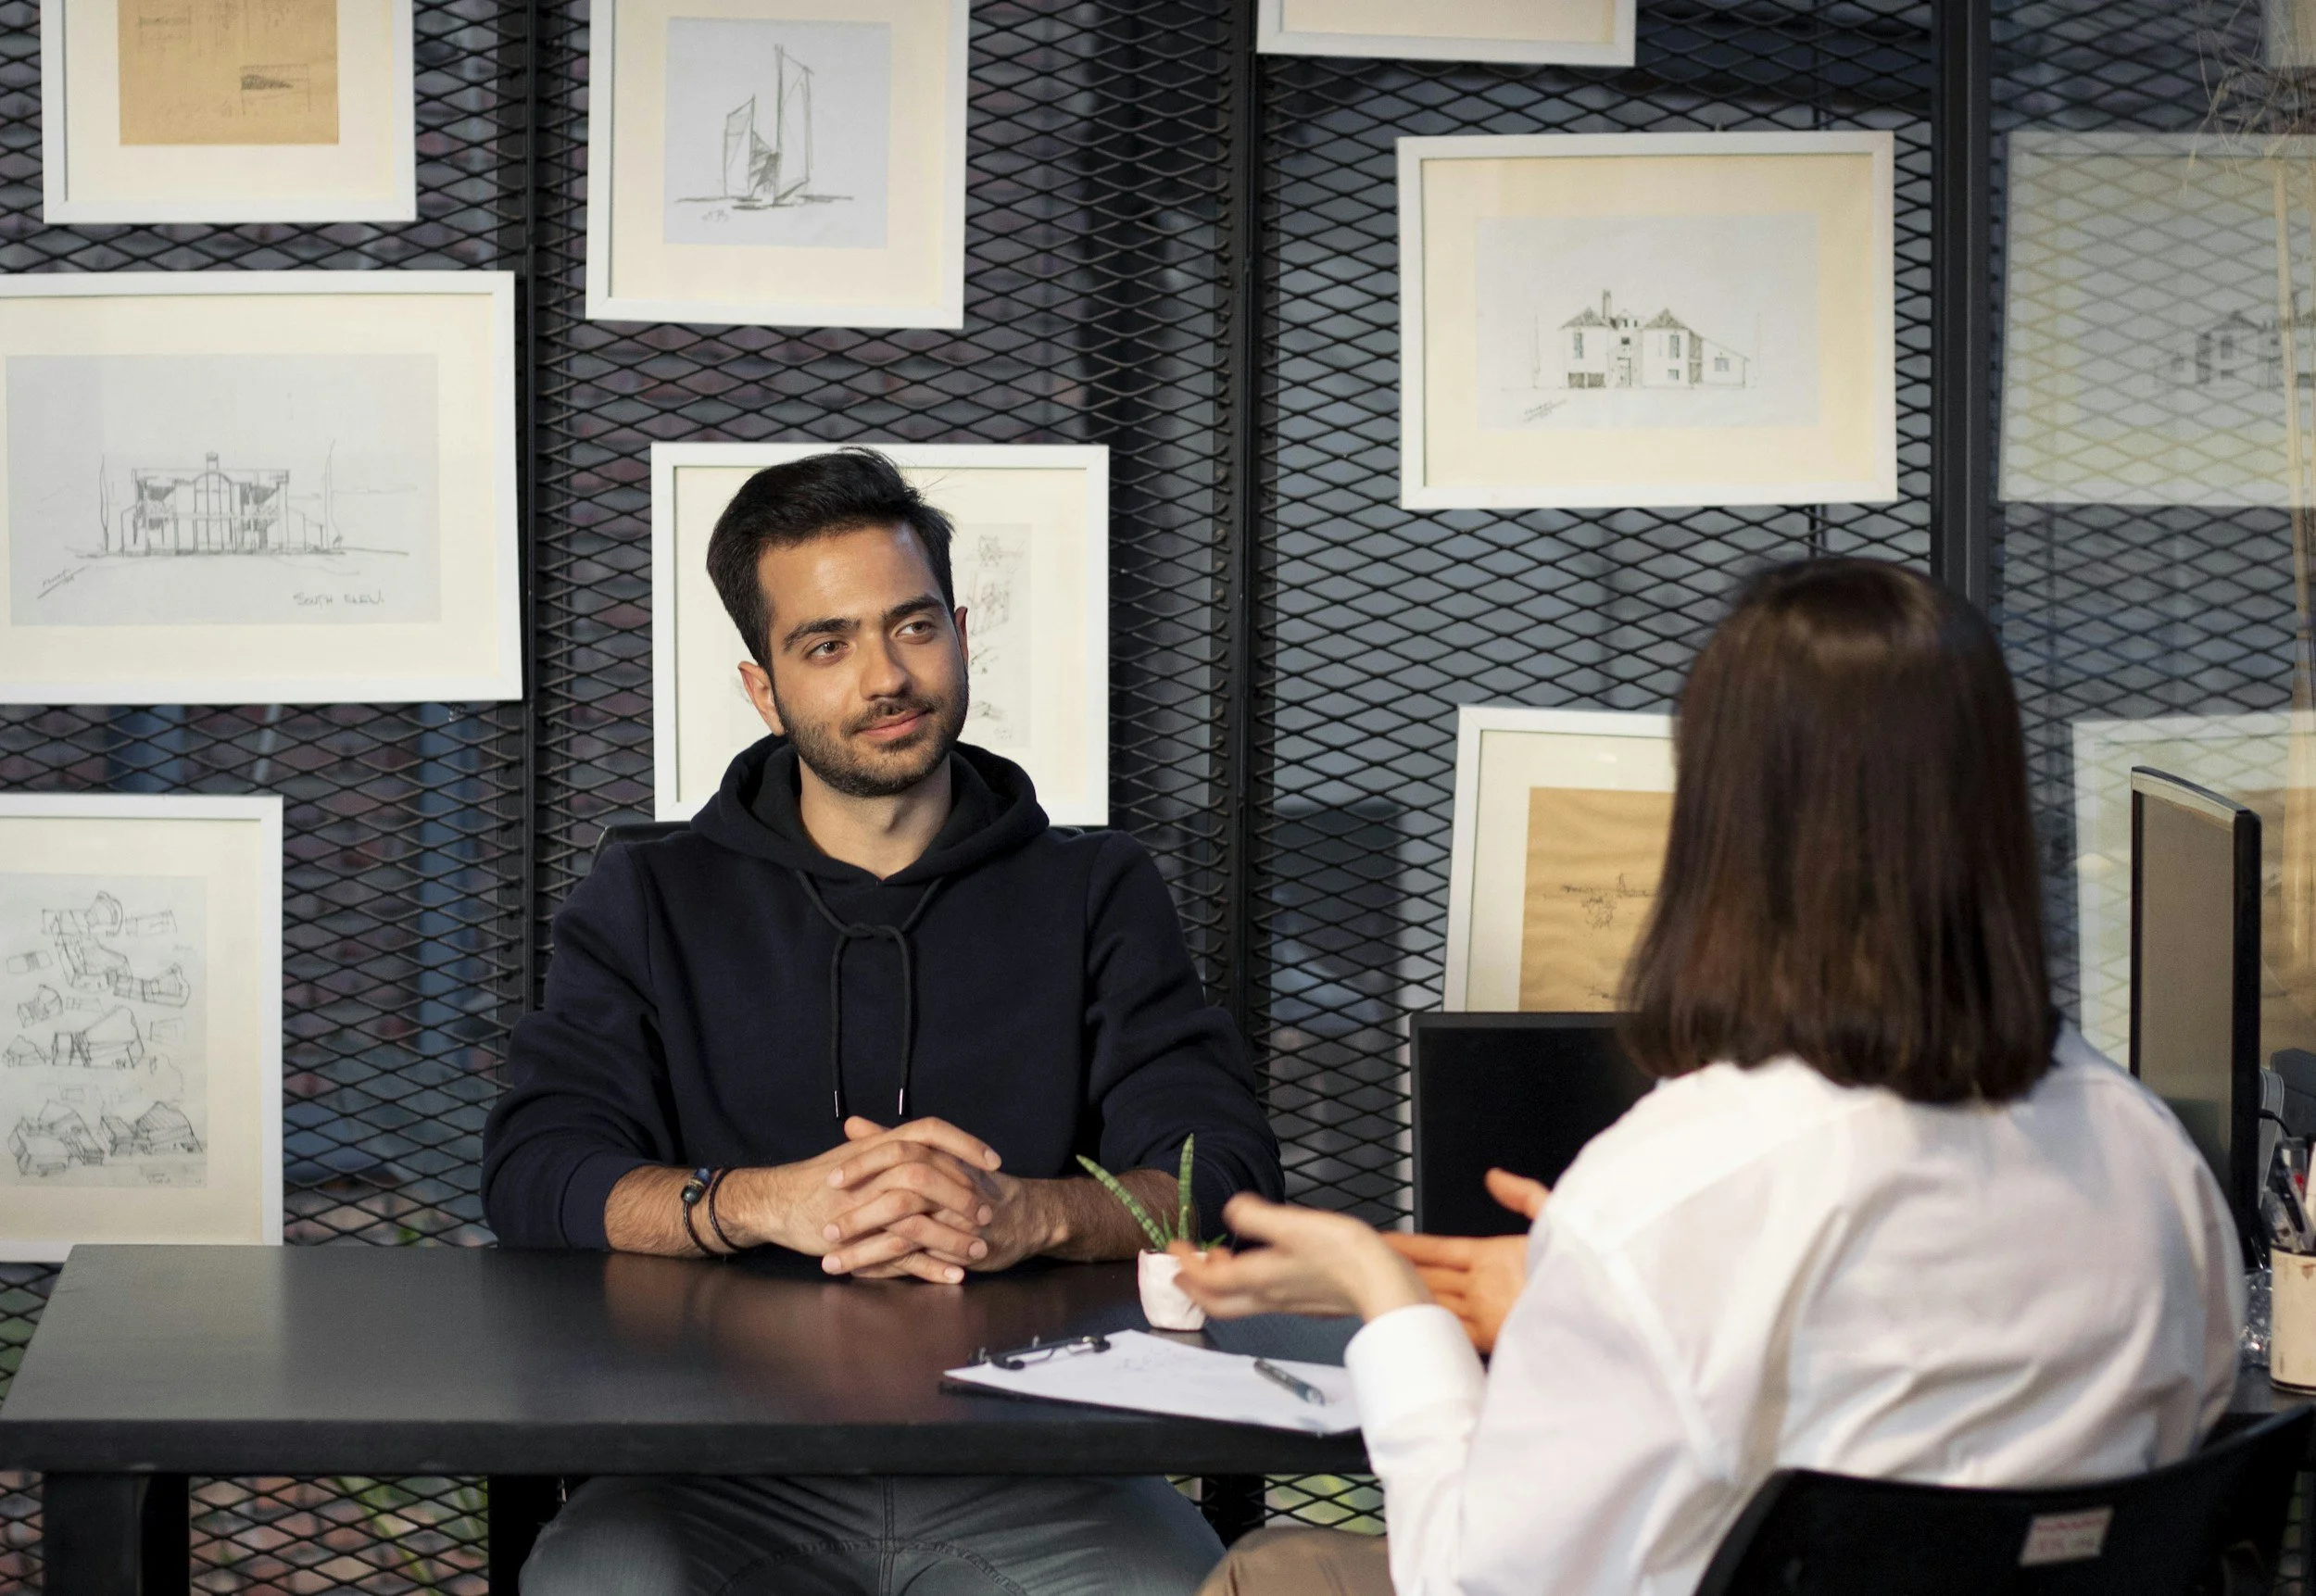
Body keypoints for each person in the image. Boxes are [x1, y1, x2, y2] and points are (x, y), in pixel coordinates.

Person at [1177, 559, 2245, 1596]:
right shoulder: (2145, 1151)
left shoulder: (1677, 1185)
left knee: (1266, 1570)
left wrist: (1388, 1302)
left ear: (1723, 827)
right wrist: (1594, 1285)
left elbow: (1472, 1574)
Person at [482, 447, 1282, 1596]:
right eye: (827, 642)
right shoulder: (649, 896)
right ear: (764, 687)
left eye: (912, 627)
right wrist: (766, 1203)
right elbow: (534, 1172)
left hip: (1047, 1462)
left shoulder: (1098, 889)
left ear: (958, 631)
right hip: (707, 1461)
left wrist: (1026, 1215)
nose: (884, 676)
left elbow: (1229, 1181)